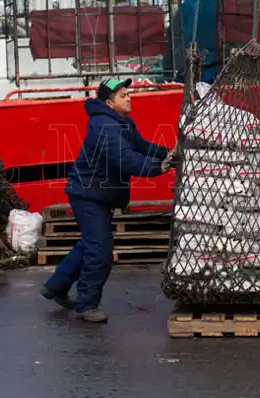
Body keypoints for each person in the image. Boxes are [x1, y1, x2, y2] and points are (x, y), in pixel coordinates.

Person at [41, 78, 174, 323]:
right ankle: (86, 306)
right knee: (100, 248)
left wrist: (168, 154)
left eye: (128, 93)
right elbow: (123, 158)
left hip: (98, 194)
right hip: (88, 194)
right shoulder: (104, 125)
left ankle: (56, 286)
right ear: (109, 102)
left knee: (90, 243)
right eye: (123, 95)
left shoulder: (121, 122)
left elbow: (140, 145)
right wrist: (158, 168)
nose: (129, 97)